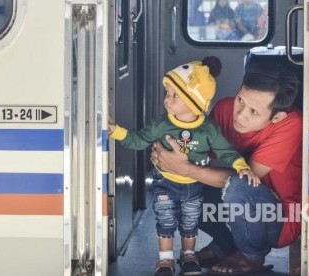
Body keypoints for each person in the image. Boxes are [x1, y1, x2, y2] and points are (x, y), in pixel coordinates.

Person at [109, 56, 260, 276]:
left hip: (193, 185)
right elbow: (139, 140)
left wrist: (242, 167)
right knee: (165, 219)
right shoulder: (162, 124)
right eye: (167, 94)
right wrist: (116, 131)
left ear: (194, 101)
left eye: (175, 95)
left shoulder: (208, 129)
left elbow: (226, 152)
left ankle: (188, 254)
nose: (167, 100)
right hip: (165, 183)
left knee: (190, 221)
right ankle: (166, 259)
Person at [151, 62, 302, 275]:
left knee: (238, 185)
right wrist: (166, 153)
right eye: (240, 100)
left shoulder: (291, 124)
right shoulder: (224, 109)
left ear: (276, 117)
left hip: (280, 218)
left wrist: (184, 168)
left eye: (254, 112)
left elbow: (249, 179)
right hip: (241, 206)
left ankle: (251, 255)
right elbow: (197, 154)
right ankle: (225, 245)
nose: (240, 115)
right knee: (181, 189)